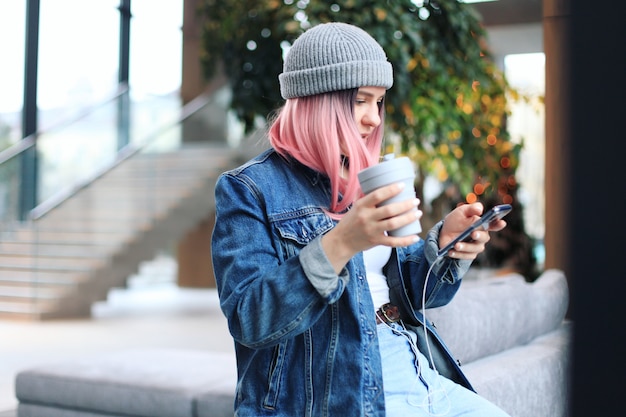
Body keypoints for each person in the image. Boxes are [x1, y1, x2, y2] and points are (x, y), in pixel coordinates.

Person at [211, 22, 510, 417]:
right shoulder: (248, 189)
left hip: (414, 368)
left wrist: (449, 249)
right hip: (330, 393)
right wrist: (342, 241)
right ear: (317, 101)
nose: (373, 118)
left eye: (379, 102)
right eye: (360, 101)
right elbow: (251, 319)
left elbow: (415, 295)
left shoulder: (363, 180)